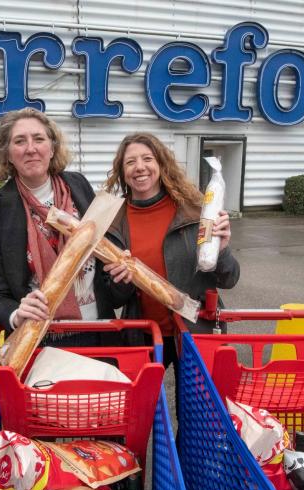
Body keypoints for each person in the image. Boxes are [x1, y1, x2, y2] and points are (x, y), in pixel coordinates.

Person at [0, 108, 129, 336]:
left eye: (39, 139)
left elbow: (103, 257)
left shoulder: (78, 185)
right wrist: (15, 314)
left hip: (99, 329)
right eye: (20, 141)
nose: (31, 149)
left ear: (52, 148)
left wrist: (120, 273)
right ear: (8, 154)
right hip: (39, 335)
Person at [103, 132, 240, 369]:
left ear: (160, 164)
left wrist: (222, 250)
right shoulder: (114, 221)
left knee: (196, 405)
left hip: (196, 329)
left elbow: (230, 279)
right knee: (146, 405)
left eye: (147, 158)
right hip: (142, 334)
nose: (140, 167)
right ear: (122, 171)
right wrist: (120, 280)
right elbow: (114, 299)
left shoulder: (195, 210)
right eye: (130, 162)